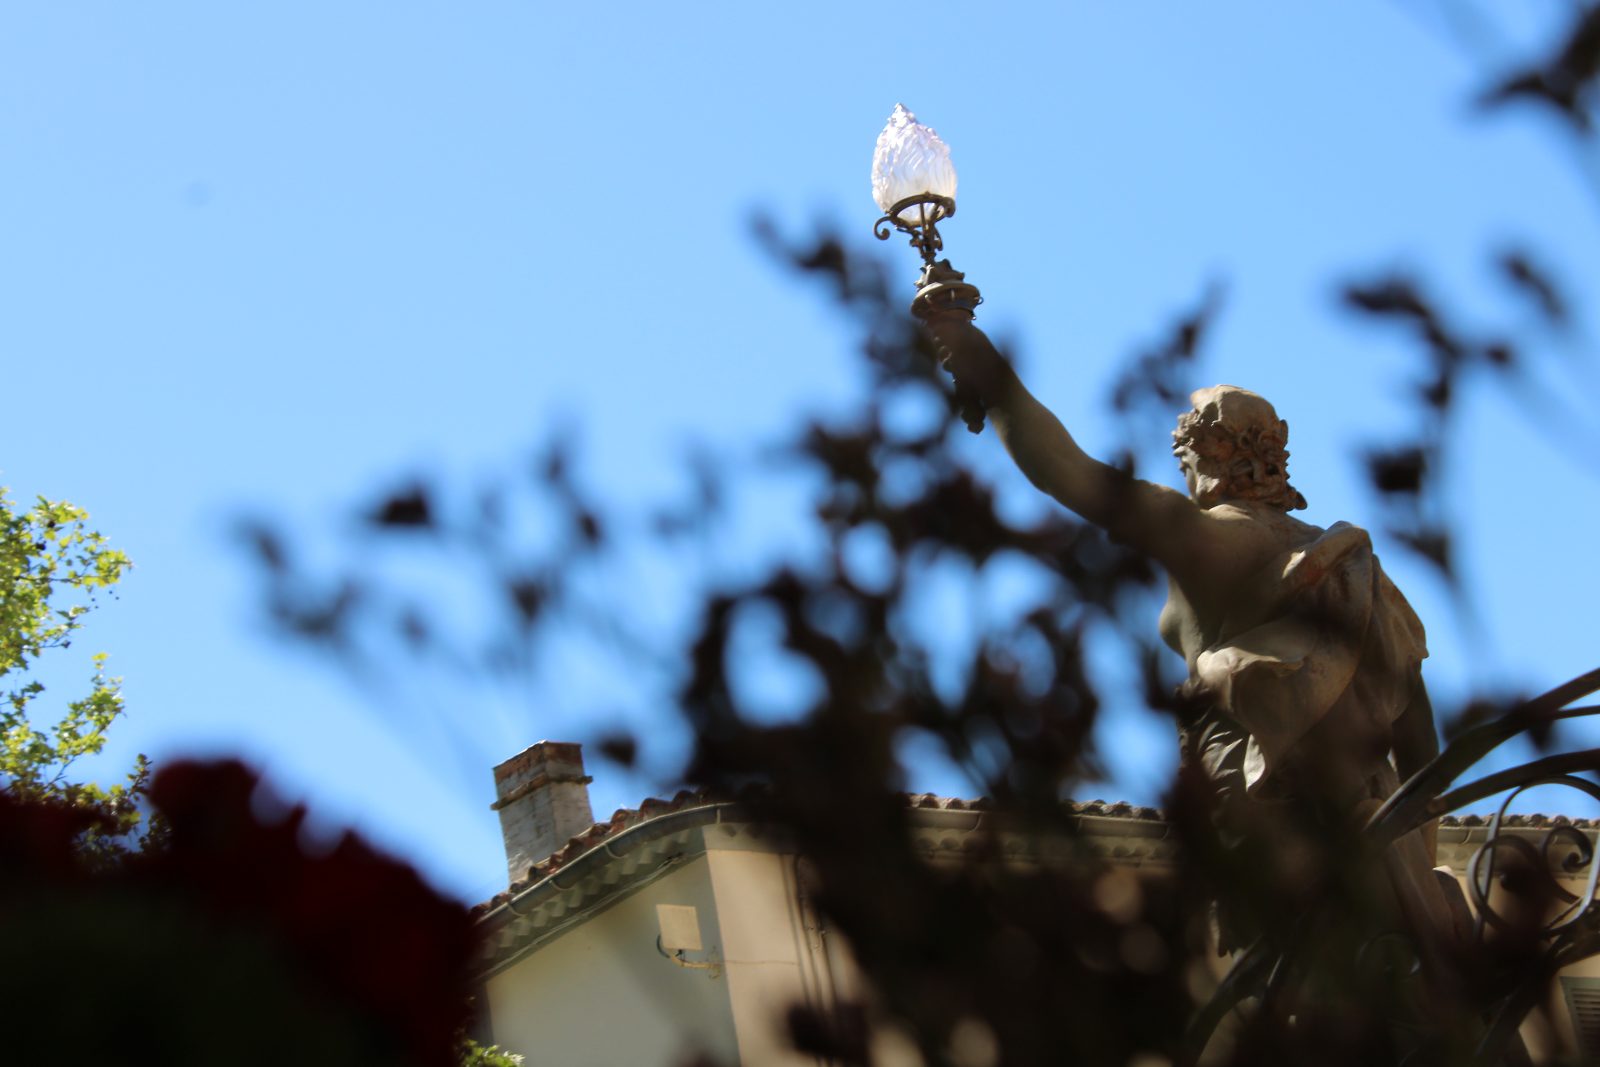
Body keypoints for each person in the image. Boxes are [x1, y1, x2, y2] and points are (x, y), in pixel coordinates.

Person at [928, 316, 1457, 951]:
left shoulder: (1213, 539)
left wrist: (986, 367)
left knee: (1304, 997)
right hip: (1376, 822)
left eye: (1185, 455)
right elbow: (1418, 729)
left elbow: (1067, 472)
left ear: (1208, 458)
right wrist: (1415, 850)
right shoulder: (1348, 562)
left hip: (1267, 810)